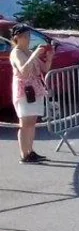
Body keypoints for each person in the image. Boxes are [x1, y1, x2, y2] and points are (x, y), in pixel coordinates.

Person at [8, 25, 53, 163]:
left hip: (35, 90)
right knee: (24, 123)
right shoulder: (16, 53)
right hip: (24, 91)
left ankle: (30, 150)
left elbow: (44, 68)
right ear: (17, 38)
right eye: (25, 36)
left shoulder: (28, 51)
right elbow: (24, 71)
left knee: (32, 122)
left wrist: (49, 58)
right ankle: (24, 154)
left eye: (29, 36)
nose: (28, 39)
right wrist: (34, 55)